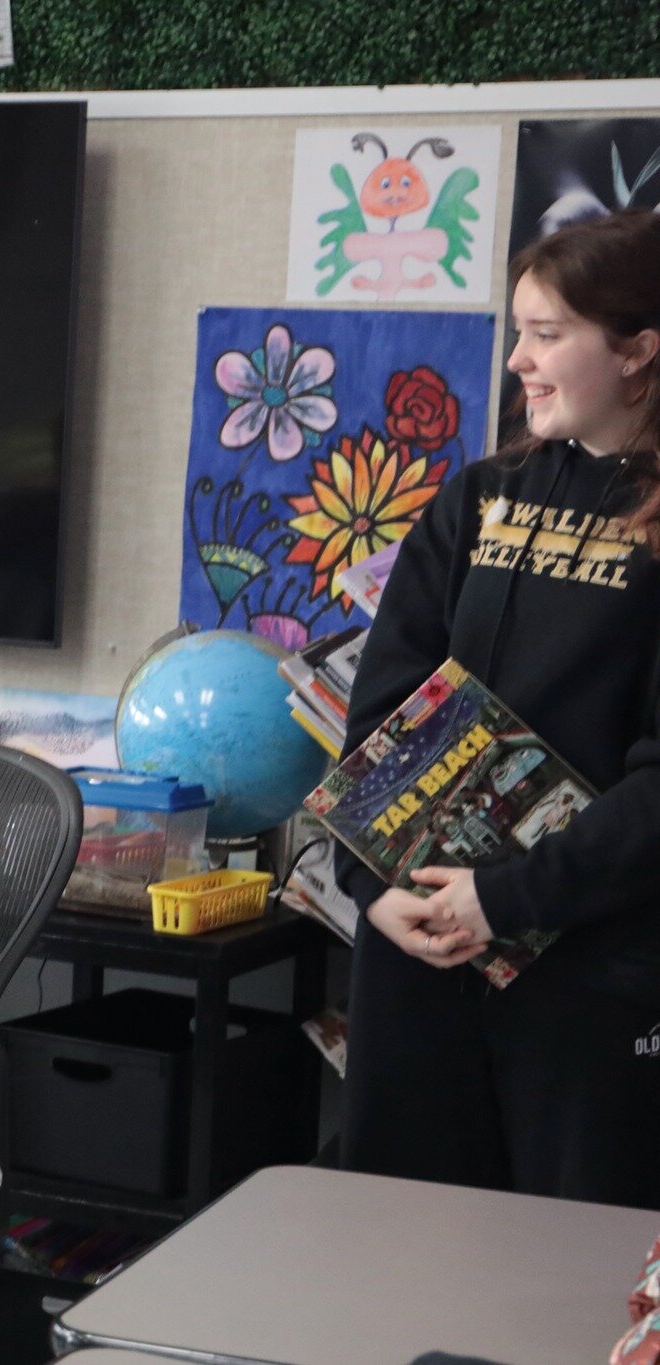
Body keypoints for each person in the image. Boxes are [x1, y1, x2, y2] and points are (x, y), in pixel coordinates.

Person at [336, 210, 660, 1211]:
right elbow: (380, 710)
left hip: (586, 976)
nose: (516, 359)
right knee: (400, 1250)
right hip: (415, 954)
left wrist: (505, 903)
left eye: (545, 333)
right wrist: (369, 884)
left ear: (637, 348)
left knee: (561, 1281)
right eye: (514, 330)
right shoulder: (476, 494)